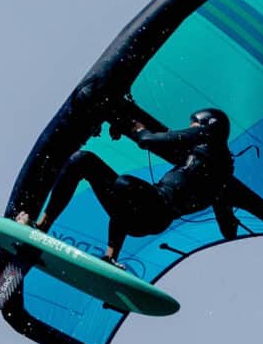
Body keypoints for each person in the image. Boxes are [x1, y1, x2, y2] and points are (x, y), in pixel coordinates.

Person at [19, 107, 240, 264]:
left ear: (208, 127)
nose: (190, 130)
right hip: (144, 215)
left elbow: (148, 140)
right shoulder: (222, 178)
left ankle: (46, 227)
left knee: (124, 185)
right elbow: (228, 231)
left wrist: (138, 129)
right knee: (82, 161)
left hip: (157, 207)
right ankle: (108, 256)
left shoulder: (209, 140)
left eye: (193, 126)